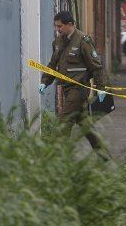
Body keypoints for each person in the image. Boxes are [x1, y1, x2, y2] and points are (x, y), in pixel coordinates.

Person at [38, 11, 106, 149]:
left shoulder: (83, 40)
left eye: (60, 26)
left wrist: (100, 88)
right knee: (85, 124)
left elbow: (96, 66)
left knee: (65, 122)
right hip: (66, 88)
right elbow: (52, 64)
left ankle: (57, 157)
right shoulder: (57, 42)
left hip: (79, 88)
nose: (58, 29)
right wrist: (44, 81)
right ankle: (103, 155)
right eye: (56, 26)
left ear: (70, 24)